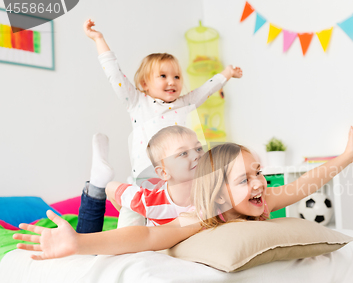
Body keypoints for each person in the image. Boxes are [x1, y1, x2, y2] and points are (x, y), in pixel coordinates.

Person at [13, 128, 353, 260]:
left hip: (164, 199)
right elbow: (149, 234)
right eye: (244, 180)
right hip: (146, 203)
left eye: (259, 173)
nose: (259, 184)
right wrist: (82, 244)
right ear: (219, 194)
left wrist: (344, 158)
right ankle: (104, 186)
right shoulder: (206, 216)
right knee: (130, 202)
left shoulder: (261, 200)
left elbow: (301, 187)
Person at [83, 19, 242, 226]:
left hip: (177, 178)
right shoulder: (137, 102)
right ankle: (126, 246)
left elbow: (206, 90)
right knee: (133, 219)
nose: (172, 81)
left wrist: (226, 74)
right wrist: (99, 39)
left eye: (177, 76)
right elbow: (114, 74)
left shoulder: (184, 103)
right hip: (144, 178)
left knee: (177, 215)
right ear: (144, 83)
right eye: (163, 76)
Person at [76, 126, 203, 233]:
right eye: (183, 153)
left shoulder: (212, 192)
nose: (196, 155)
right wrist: (137, 213)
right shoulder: (149, 202)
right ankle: (98, 182)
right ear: (164, 172)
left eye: (198, 148)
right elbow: (111, 189)